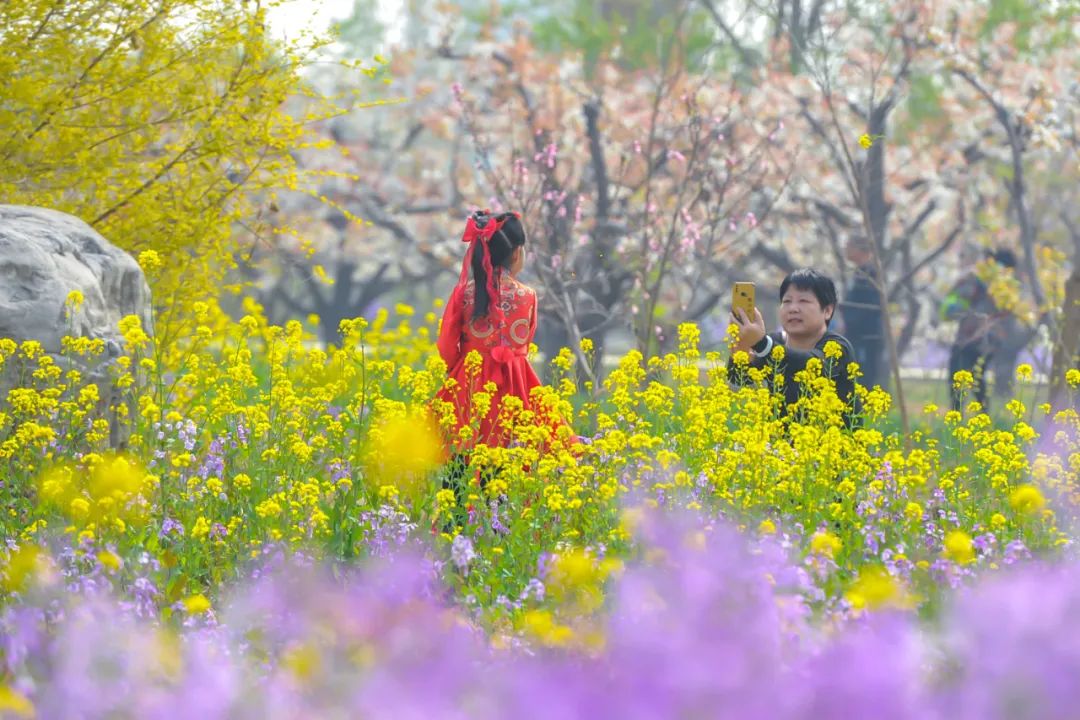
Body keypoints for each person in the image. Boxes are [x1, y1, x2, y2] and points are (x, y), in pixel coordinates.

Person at [728, 268, 859, 425]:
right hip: (779, 440)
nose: (793, 309)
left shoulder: (837, 346)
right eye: (787, 301)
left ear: (827, 311)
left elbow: (812, 364)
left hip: (832, 439)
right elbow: (739, 380)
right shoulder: (774, 342)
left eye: (803, 301)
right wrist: (741, 351)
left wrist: (761, 344)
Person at [941, 248, 1017, 411]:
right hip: (987, 339)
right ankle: (979, 416)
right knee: (976, 377)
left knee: (961, 375)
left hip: (973, 338)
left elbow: (957, 300)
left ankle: (959, 415)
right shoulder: (1008, 287)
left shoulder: (980, 281)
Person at [839, 236, 885, 389]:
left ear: (860, 249)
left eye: (849, 246)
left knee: (863, 379)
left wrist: (850, 320)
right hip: (855, 335)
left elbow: (869, 306)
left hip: (866, 336)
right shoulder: (858, 273)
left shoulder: (870, 274)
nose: (846, 250)